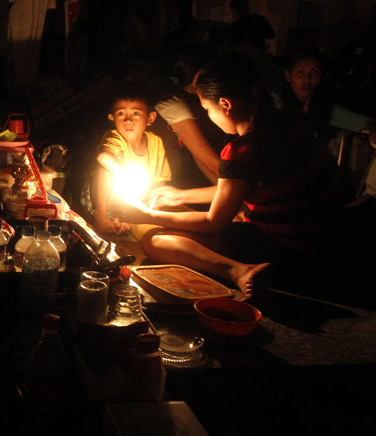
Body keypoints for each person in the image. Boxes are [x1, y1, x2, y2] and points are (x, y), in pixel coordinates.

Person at [112, 53, 338, 299]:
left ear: (226, 105)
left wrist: (145, 215)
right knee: (178, 212)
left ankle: (238, 270)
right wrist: (180, 196)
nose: (208, 115)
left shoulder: (242, 150)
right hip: (325, 239)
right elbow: (248, 188)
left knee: (154, 240)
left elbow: (214, 222)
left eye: (207, 109)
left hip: (285, 248)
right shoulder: (289, 125)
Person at [81, 86, 172, 235]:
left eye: (136, 113)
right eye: (121, 113)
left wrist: (145, 210)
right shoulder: (115, 137)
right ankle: (101, 215)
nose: (128, 120)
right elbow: (103, 157)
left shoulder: (156, 142)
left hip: (131, 200)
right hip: (98, 199)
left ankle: (123, 217)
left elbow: (159, 182)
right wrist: (127, 177)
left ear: (150, 118)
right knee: (109, 164)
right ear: (112, 118)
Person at [155, 45, 230, 187]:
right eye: (209, 73)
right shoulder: (173, 105)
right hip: (154, 178)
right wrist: (241, 187)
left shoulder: (190, 100)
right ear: (195, 73)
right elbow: (210, 162)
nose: (214, 79)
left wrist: (227, 190)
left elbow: (200, 157)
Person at [273, 49, 376, 149]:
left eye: (315, 72)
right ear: (288, 75)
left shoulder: (325, 106)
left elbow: (364, 123)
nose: (307, 79)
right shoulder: (275, 102)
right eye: (301, 72)